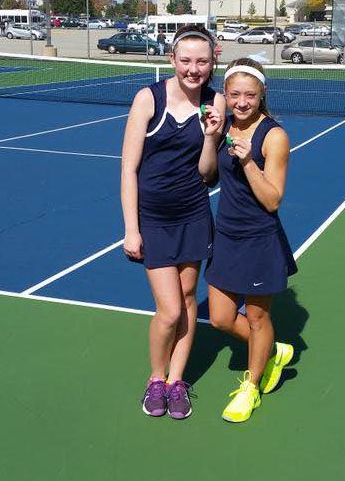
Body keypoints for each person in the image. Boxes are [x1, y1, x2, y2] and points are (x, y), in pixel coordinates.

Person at [121, 25, 225, 420]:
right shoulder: (149, 98)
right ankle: (155, 379)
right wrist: (132, 228)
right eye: (186, 61)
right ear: (172, 60)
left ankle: (177, 382)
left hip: (194, 214)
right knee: (168, 310)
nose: (193, 69)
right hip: (154, 219)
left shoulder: (215, 102)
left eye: (201, 61)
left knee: (186, 301)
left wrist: (212, 137)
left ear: (213, 60)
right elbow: (128, 169)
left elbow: (207, 175)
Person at [204, 57, 297, 423]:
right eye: (235, 94)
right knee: (223, 319)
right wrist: (211, 139)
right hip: (226, 235)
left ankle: (251, 387)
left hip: (259, 239)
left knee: (258, 318)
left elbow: (273, 199)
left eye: (250, 95)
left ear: (262, 95)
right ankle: (272, 351)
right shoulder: (223, 126)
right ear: (225, 95)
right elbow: (208, 177)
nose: (242, 102)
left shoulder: (274, 136)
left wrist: (248, 163)